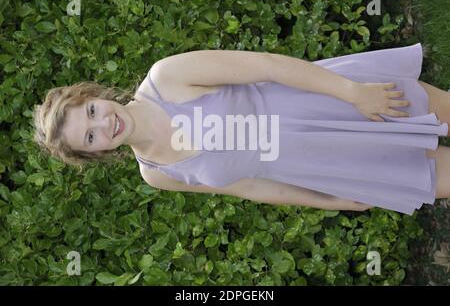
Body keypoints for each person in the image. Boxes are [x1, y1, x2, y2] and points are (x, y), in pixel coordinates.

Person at [33, 43, 450, 215]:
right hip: (331, 164)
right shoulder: (156, 173)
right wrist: (330, 199)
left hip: (332, 104)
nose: (104, 124)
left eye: (90, 111)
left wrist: (352, 92)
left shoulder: (168, 78)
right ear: (96, 153)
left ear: (92, 94)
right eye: (90, 137)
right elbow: (251, 185)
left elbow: (268, 65)